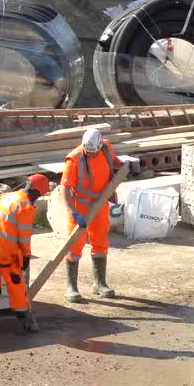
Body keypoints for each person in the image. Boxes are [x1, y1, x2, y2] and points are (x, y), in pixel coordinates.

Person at [0, 173, 51, 334]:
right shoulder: (25, 207)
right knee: (15, 285)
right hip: (5, 251)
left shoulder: (8, 196)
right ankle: (26, 321)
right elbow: (24, 236)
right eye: (39, 195)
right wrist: (26, 255)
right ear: (37, 192)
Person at [61, 129, 121, 303]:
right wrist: (73, 211)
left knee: (100, 241)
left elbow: (115, 162)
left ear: (100, 146)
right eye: (88, 152)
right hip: (80, 207)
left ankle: (100, 284)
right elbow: (65, 188)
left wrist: (126, 165)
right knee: (74, 246)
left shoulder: (106, 148)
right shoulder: (74, 159)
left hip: (100, 204)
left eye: (94, 152)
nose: (91, 155)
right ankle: (71, 287)